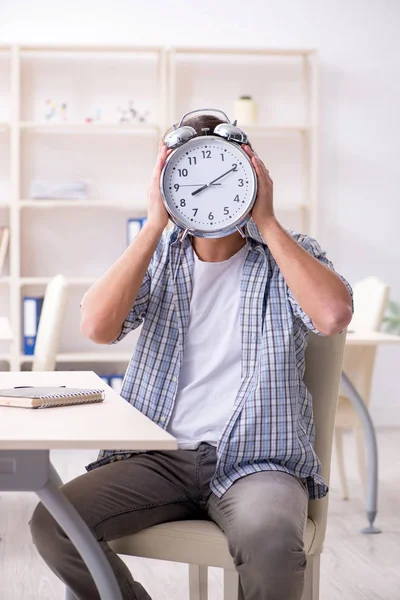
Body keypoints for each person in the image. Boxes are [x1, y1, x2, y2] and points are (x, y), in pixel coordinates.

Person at [30, 113, 353, 600]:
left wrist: (266, 219)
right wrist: (154, 224)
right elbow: (97, 327)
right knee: (53, 523)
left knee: (271, 541)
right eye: (189, 177)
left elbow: (332, 316)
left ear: (251, 176)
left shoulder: (291, 253)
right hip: (158, 457)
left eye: (224, 175)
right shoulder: (159, 256)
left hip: (257, 461)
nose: (208, 192)